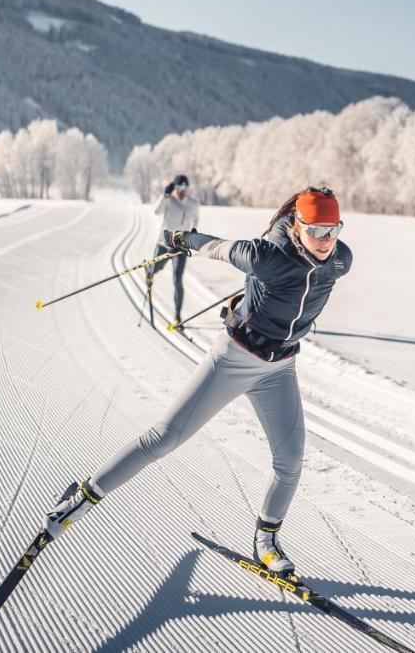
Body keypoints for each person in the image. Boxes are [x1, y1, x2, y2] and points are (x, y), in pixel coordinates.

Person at [47, 187, 351, 575]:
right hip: (235, 359)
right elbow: (218, 247)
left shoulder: (341, 260)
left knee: (290, 461)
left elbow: (306, 288)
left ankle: (266, 541)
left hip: (279, 369)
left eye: (333, 229)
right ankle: (83, 496)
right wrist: (180, 239)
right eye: (316, 230)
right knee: (165, 438)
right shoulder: (266, 256)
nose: (326, 241)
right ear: (296, 225)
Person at [148, 174, 200, 326]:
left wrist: (194, 232)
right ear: (175, 187)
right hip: (164, 244)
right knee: (155, 268)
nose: (182, 191)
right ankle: (149, 272)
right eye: (179, 187)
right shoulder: (169, 200)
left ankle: (177, 315)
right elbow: (156, 211)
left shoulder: (193, 203)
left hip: (180, 247)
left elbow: (196, 220)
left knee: (177, 279)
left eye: (184, 187)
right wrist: (164, 195)